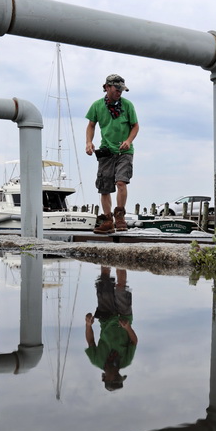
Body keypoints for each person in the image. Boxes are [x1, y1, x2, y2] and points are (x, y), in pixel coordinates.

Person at [85, 74, 140, 234]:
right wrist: (89, 142)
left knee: (121, 182)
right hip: (106, 150)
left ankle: (120, 216)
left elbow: (135, 126)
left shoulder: (128, 105)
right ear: (107, 87)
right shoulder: (97, 106)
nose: (119, 92)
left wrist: (129, 140)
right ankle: (108, 220)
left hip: (124, 151)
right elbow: (91, 125)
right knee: (104, 188)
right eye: (117, 89)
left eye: (122, 90)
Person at [84, 265, 137, 391]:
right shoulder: (126, 361)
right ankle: (120, 259)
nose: (118, 374)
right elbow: (134, 341)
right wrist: (128, 328)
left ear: (106, 378)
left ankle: (106, 257)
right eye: (119, 376)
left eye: (115, 378)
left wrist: (88, 325)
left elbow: (91, 342)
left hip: (105, 318)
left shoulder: (96, 360)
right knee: (120, 287)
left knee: (104, 281)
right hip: (124, 318)